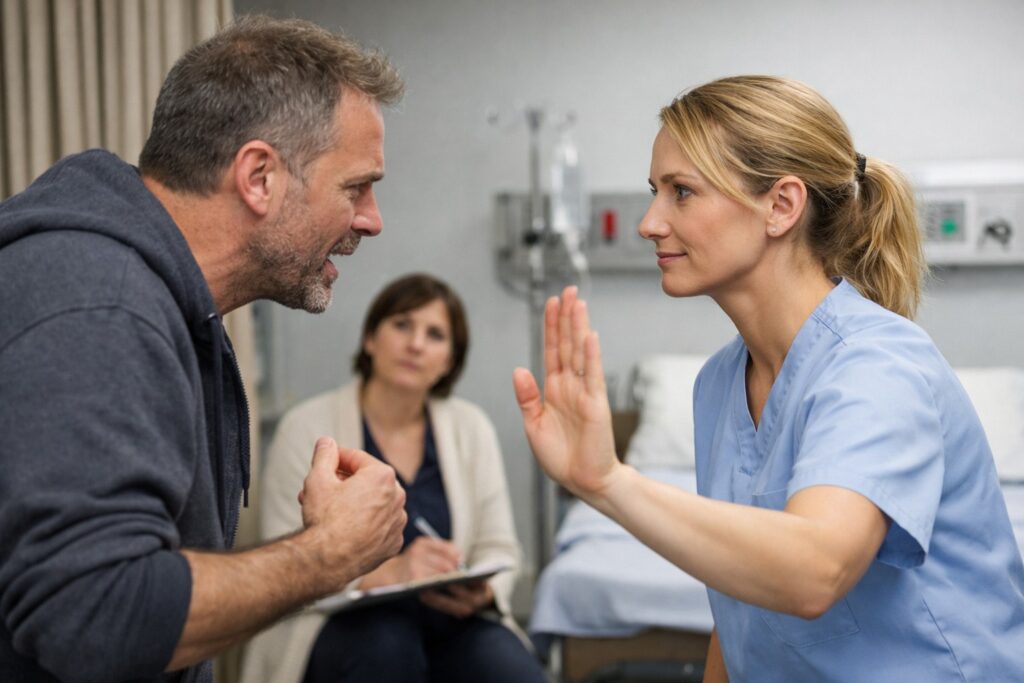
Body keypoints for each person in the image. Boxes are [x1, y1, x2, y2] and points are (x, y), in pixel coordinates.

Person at [513, 75, 1024, 682]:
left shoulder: (879, 368)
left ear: (781, 206)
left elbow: (814, 570)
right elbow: (742, 614)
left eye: (681, 192)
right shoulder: (719, 383)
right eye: (655, 192)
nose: (648, 222)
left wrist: (606, 483)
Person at [0, 16, 411, 683]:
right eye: (355, 186)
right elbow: (95, 616)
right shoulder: (99, 305)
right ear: (259, 177)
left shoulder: (169, 304)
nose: (371, 218)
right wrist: (328, 553)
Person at [241, 273, 547, 683]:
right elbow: (281, 563)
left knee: (509, 669)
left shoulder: (471, 428)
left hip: (451, 621)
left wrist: (485, 590)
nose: (416, 344)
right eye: (402, 324)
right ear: (371, 338)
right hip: (342, 622)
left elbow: (500, 548)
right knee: (387, 651)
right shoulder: (307, 427)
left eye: (435, 334)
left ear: (449, 362)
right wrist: (389, 575)